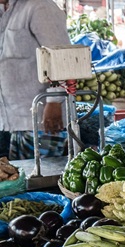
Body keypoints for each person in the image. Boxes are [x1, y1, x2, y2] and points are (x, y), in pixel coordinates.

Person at [0, 0, 71, 159]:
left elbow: (61, 56)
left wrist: (54, 100)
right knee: (20, 179)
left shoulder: (40, 6)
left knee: (43, 179)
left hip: (43, 120)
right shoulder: (4, 10)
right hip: (13, 120)